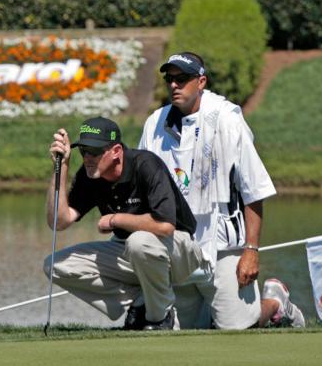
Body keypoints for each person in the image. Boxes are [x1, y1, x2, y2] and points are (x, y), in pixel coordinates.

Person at [138, 52, 305, 329]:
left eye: (182, 79)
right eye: (170, 79)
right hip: (179, 246)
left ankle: (276, 304)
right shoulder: (154, 122)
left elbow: (253, 189)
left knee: (237, 327)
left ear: (201, 81)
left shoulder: (228, 119)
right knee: (185, 330)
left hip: (225, 245)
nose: (174, 85)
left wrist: (251, 250)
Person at [43, 117, 208, 330]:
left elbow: (165, 226)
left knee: (139, 242)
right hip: (129, 250)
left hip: (178, 249)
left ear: (116, 151)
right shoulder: (89, 175)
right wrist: (61, 166)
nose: (87, 158)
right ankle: (140, 300)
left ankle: (160, 317)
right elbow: (59, 221)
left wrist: (116, 219)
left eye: (94, 152)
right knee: (55, 266)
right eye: (83, 151)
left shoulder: (146, 165)